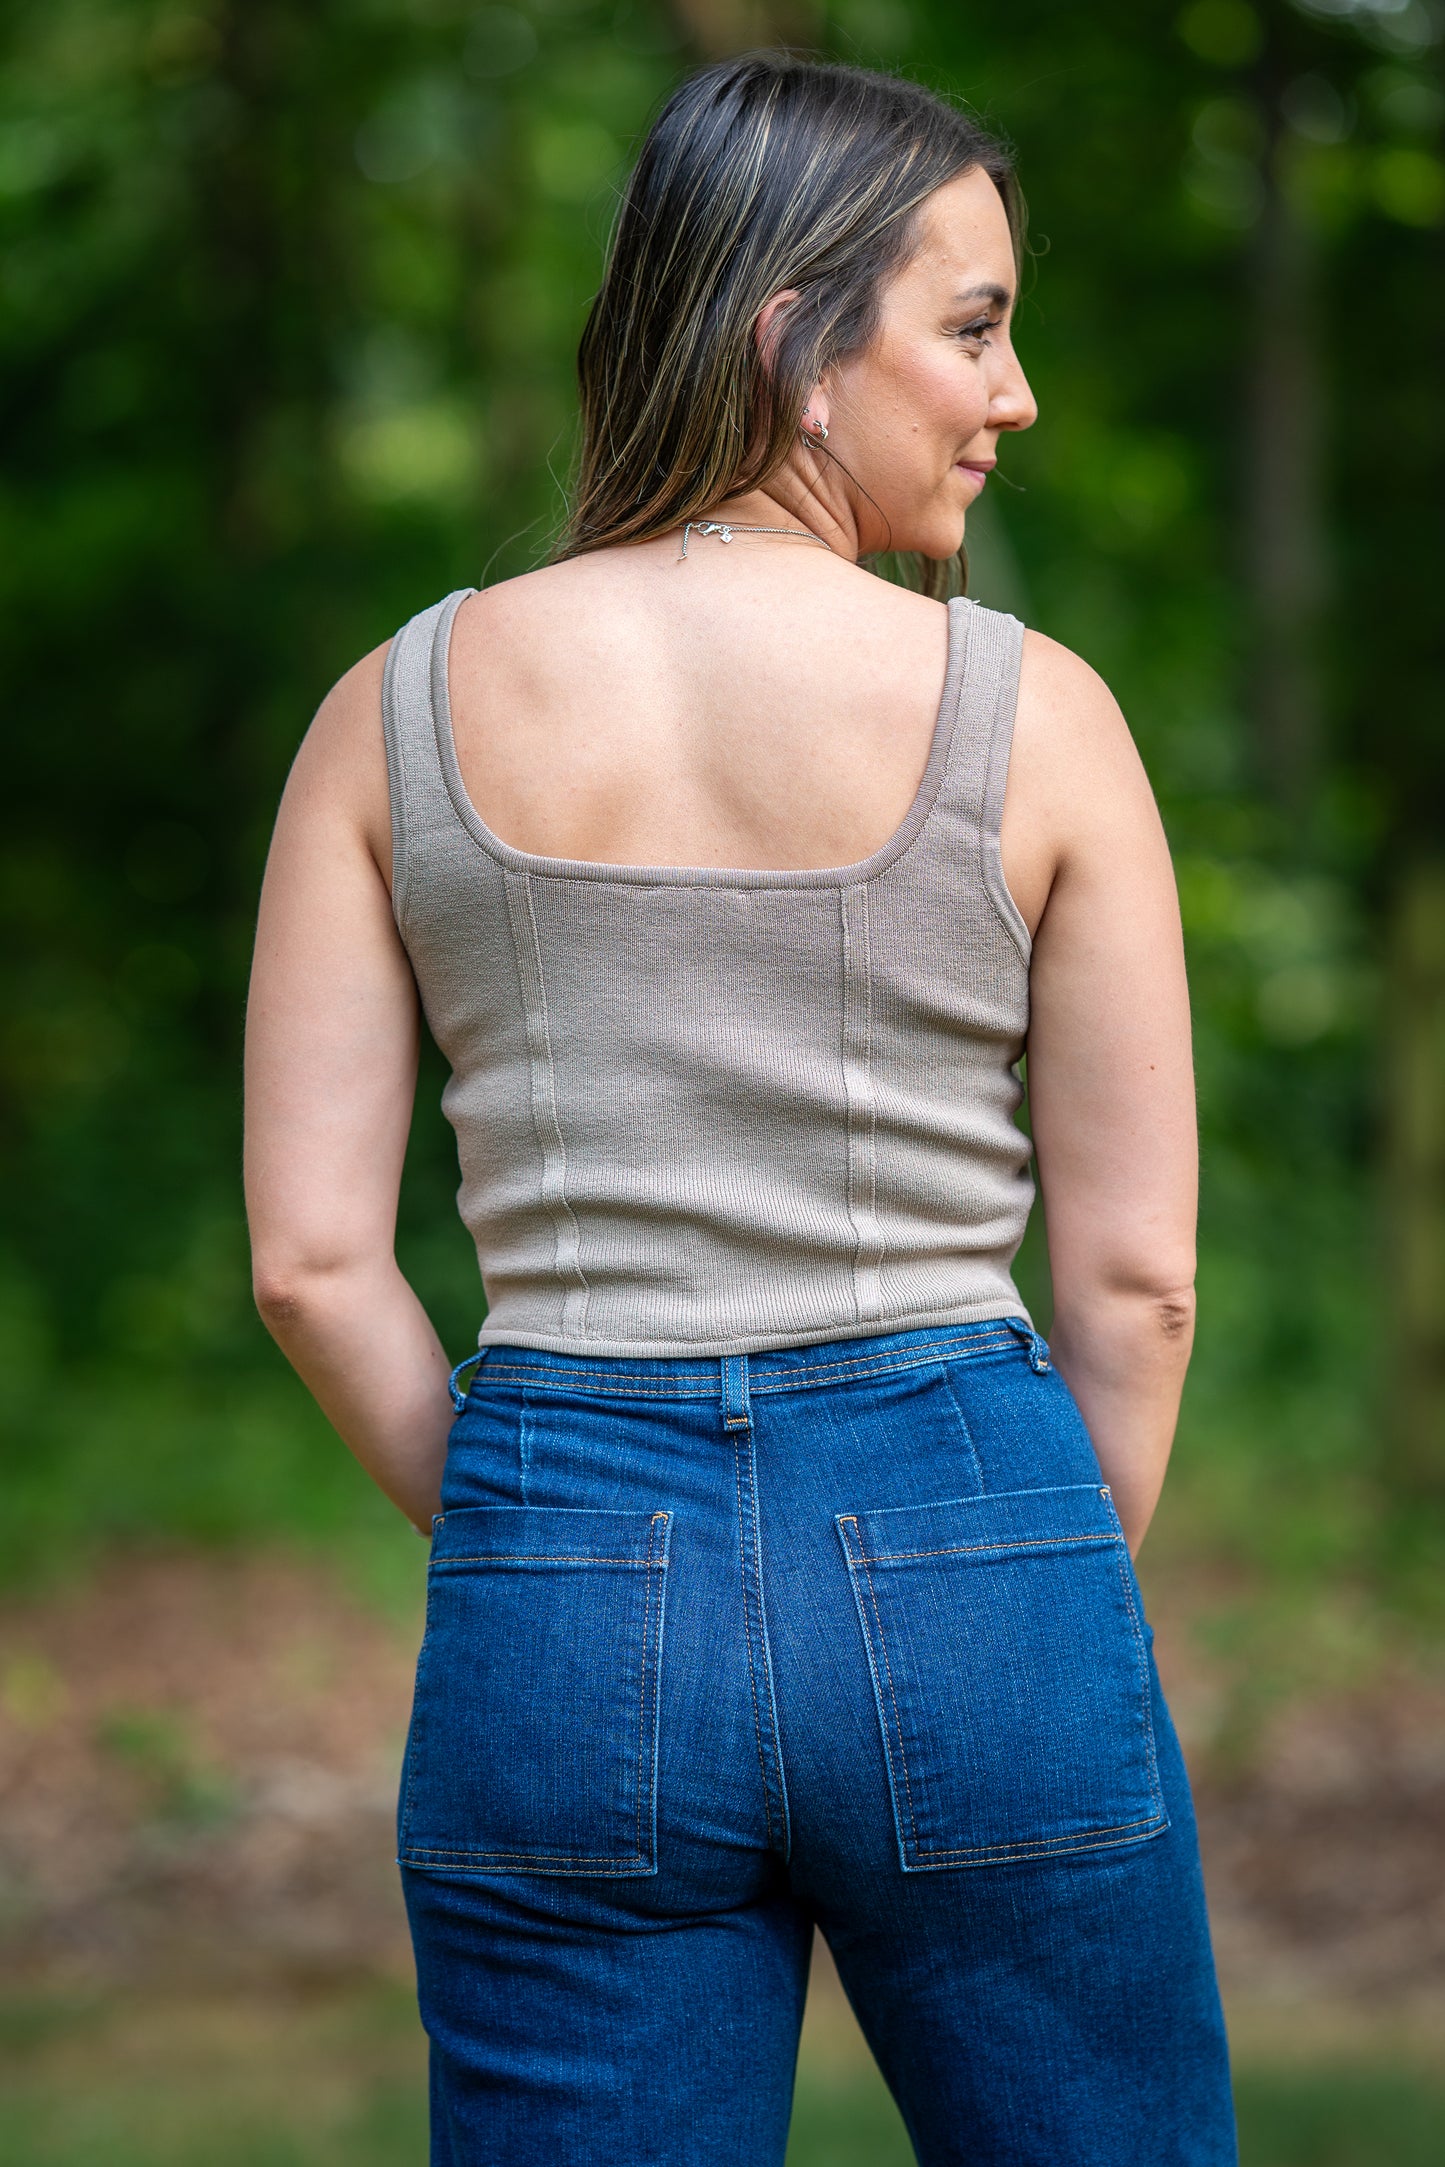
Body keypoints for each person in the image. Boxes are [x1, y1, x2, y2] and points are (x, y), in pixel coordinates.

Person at [244, 49, 1237, 2167]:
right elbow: (1136, 1282)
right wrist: (1030, 1565)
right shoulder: (1039, 717)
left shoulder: (390, 714)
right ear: (796, 341)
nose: (1016, 394)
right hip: (980, 1530)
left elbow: (314, 1265)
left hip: (563, 1547)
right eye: (972, 328)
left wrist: (540, 1531)